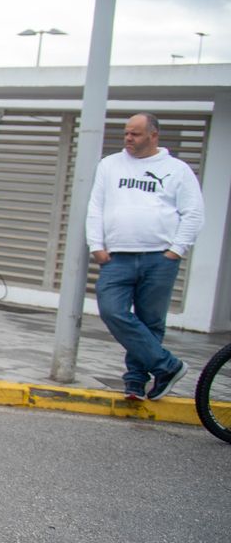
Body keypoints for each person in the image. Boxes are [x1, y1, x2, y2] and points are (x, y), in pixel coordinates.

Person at [86, 113, 204, 401]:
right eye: (126, 133)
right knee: (112, 310)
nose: (128, 138)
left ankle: (136, 382)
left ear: (153, 136)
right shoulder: (110, 165)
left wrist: (176, 251)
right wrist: (95, 245)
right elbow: (96, 207)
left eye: (135, 134)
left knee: (150, 321)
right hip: (117, 257)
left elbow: (194, 213)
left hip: (159, 258)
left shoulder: (176, 170)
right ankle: (168, 366)